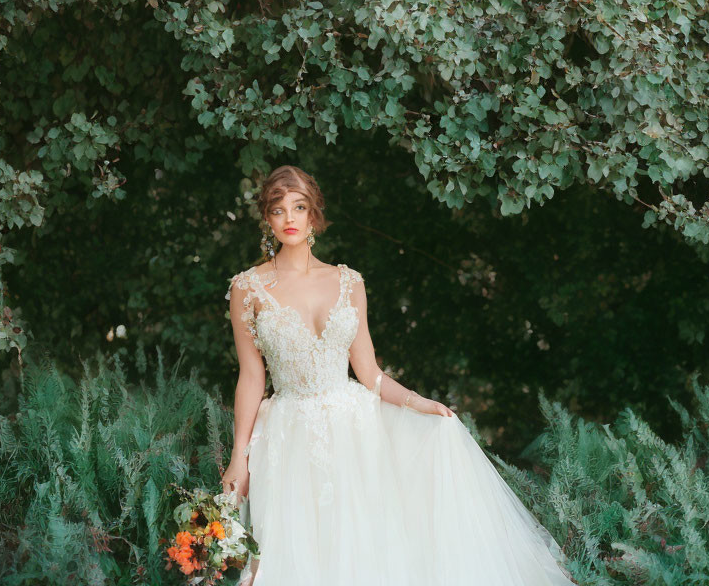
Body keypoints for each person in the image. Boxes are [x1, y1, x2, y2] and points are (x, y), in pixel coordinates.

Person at [221, 165, 577, 586]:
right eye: (279, 210)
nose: (290, 218)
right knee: (295, 549)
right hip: (288, 436)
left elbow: (369, 372)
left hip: (354, 432)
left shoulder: (347, 281)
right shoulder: (248, 287)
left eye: (299, 207)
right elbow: (251, 377)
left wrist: (421, 403)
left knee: (364, 544)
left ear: (314, 214)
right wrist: (238, 456)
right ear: (267, 218)